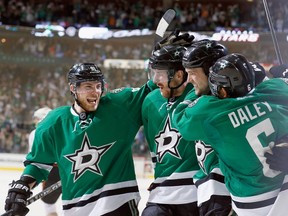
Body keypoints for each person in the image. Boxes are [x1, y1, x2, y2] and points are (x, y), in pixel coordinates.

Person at [5, 63, 157, 216]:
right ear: (73, 89)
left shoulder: (118, 107)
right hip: (76, 209)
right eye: (88, 86)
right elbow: (38, 164)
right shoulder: (54, 123)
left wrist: (164, 57)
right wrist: (24, 185)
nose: (95, 92)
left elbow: (155, 86)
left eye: (98, 86)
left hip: (117, 203)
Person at [172, 53, 288, 216]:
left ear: (223, 91)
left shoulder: (213, 115)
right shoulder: (274, 91)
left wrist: (197, 92)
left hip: (250, 203)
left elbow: (180, 119)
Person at [141, 42, 200, 216]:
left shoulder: (200, 94)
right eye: (154, 73)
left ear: (180, 74)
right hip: (161, 194)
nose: (154, 80)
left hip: (196, 192)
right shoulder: (150, 101)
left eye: (160, 74)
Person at [180, 39, 233, 216]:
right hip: (213, 192)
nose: (188, 80)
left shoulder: (207, 106)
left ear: (212, 71)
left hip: (222, 192)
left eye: (192, 73)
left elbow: (182, 123)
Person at [28, 107, 62, 216]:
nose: (34, 121)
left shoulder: (36, 132)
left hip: (51, 172)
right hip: (69, 171)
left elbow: (35, 159)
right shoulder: (65, 129)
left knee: (48, 203)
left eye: (36, 118)